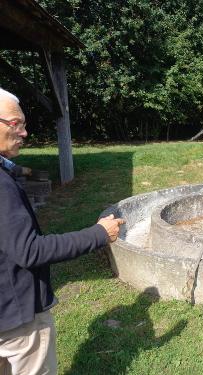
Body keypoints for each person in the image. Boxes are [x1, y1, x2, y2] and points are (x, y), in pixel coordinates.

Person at [0, 88, 125, 375]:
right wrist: (99, 234)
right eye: (16, 123)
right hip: (17, 318)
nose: (24, 132)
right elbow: (29, 251)